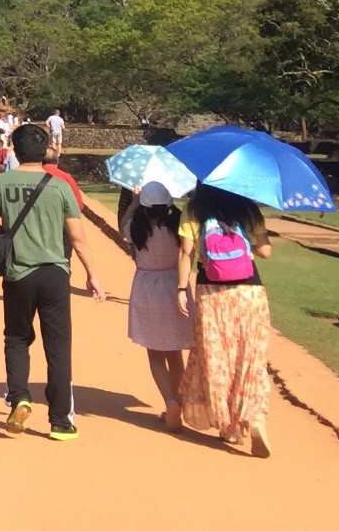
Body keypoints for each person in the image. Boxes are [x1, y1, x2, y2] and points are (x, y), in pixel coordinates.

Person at [0, 121, 105, 441]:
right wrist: (92, 275)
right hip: (55, 273)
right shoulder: (59, 185)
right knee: (59, 345)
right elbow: (78, 238)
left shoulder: (2, 183)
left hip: (18, 273)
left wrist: (12, 230)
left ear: (15, 148)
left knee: (17, 338)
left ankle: (20, 396)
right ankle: (61, 420)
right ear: (46, 150)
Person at [178, 185, 275, 456]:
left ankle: (230, 427)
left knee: (218, 359)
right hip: (249, 293)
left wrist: (181, 289)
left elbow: (186, 253)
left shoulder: (194, 209)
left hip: (212, 293)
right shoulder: (248, 209)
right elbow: (265, 252)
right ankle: (254, 417)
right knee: (250, 359)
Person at [118, 181, 194, 429]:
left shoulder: (137, 228)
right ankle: (177, 403)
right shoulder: (177, 228)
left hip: (148, 287)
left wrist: (134, 203)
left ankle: (170, 401)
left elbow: (122, 226)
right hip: (174, 284)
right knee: (174, 353)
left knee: (155, 354)